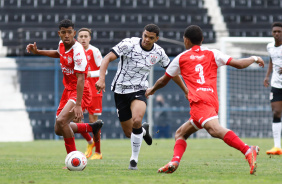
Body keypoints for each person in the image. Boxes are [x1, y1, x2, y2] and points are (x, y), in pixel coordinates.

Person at [145, 25, 265, 175]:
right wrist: (254, 58)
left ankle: (248, 150)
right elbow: (239, 64)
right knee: (181, 133)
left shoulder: (181, 58)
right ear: (202, 40)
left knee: (214, 130)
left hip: (200, 101)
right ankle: (174, 161)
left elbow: (164, 80)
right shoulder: (212, 53)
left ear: (185, 40)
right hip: (211, 101)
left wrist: (152, 89)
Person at [95, 24, 188, 170]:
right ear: (142, 34)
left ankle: (134, 160)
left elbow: (172, 73)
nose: (146, 40)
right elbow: (107, 58)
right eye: (145, 36)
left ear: (156, 39)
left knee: (137, 120)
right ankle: (143, 131)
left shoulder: (158, 52)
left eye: (151, 38)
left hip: (140, 90)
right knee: (129, 132)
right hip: (120, 90)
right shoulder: (129, 44)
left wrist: (186, 90)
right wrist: (101, 79)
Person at [26, 19, 103, 156]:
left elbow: (81, 78)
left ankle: (73, 158)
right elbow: (58, 53)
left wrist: (78, 104)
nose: (66, 35)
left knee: (62, 121)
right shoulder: (62, 44)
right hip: (68, 90)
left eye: (69, 32)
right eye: (63, 32)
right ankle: (91, 127)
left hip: (81, 91)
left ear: (74, 33)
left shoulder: (78, 51)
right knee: (58, 129)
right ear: (59, 33)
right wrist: (38, 52)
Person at [76, 28, 105, 160]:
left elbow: (104, 71)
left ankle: (98, 153)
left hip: (94, 90)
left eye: (85, 36)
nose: (83, 38)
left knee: (93, 122)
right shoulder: (75, 51)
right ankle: (90, 142)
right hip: (80, 90)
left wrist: (90, 74)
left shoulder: (94, 51)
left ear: (90, 38)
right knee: (76, 118)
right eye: (80, 36)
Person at [263, 22, 282, 155]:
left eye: (279, 31)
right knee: (276, 112)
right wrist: (267, 76)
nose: (276, 33)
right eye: (274, 31)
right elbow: (271, 60)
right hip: (276, 84)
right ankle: (277, 146)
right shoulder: (270, 47)